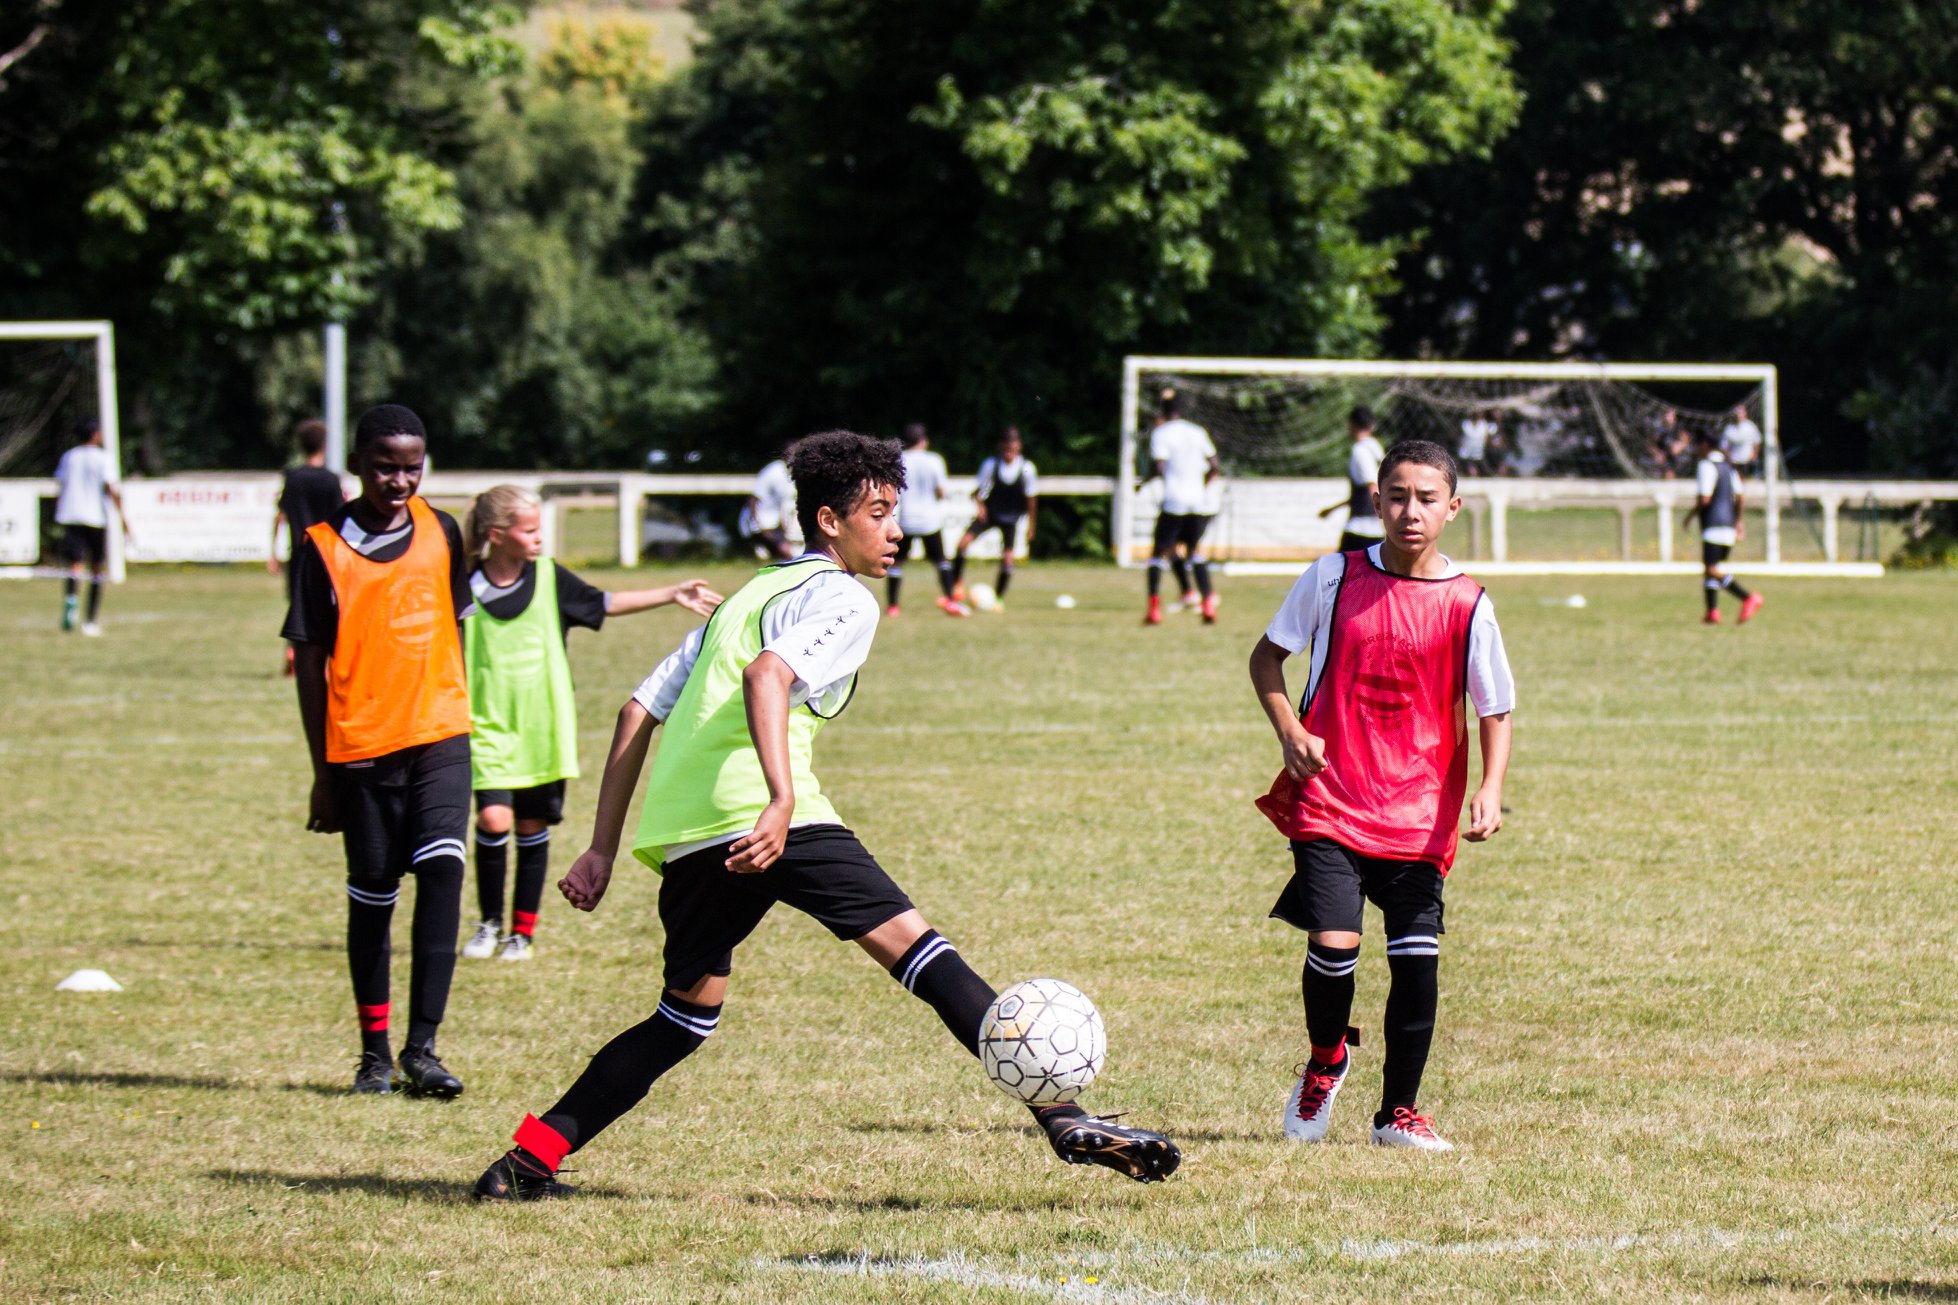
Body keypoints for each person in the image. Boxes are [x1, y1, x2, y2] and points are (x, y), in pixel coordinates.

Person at [471, 430, 1180, 1201]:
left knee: (681, 1019)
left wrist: (601, 849)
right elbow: (768, 675)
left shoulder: (746, 596)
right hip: (774, 815)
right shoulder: (844, 596)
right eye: (878, 511)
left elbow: (635, 707)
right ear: (829, 520)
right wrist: (778, 800)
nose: (897, 528)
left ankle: (525, 1163)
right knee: (921, 952)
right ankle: (1063, 1116)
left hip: (687, 836)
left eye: (896, 511)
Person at [1248, 439, 1515, 1153]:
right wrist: (1289, 734)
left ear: (1453, 509)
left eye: (1427, 498)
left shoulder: (1468, 603)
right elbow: (1267, 655)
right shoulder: (1333, 577)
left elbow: (1496, 707)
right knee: (1334, 944)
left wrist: (1490, 787)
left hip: (1419, 810)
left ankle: (1399, 1111)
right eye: (1397, 495)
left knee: (1415, 957)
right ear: (1376, 499)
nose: (1411, 511)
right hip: (1330, 797)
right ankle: (1328, 1056)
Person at [283, 403, 475, 1099]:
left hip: (440, 733)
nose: (401, 479)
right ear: (358, 465)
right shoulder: (322, 545)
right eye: (387, 465)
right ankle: (373, 1054)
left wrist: (459, 703)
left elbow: (457, 627)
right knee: (374, 896)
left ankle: (423, 1047)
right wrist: (322, 774)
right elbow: (309, 665)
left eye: (413, 465)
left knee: (446, 870)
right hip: (360, 746)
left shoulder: (442, 531)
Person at [460, 484, 722, 963]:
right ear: (497, 535)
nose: (540, 538)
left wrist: (671, 593)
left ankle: (522, 932)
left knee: (532, 823)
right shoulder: (465, 584)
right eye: (530, 530)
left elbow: (604, 602)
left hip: (543, 729)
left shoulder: (547, 579)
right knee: (492, 819)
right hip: (486, 726)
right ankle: (488, 923)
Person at [270, 419, 348, 676]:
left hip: (300, 554)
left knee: (298, 606)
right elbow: (341, 519)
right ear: (324, 445)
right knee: (329, 607)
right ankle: (326, 661)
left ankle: (292, 654)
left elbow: (280, 516)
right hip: (327, 555)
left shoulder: (292, 478)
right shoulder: (330, 480)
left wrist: (273, 552)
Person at [1143, 388, 1222, 626]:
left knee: (1158, 554)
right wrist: (1201, 485)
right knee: (1194, 551)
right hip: (1197, 502)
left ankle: (1154, 610)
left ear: (1162, 411)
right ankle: (1207, 603)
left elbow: (1159, 467)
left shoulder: (1161, 433)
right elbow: (1215, 466)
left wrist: (1145, 482)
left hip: (1174, 502)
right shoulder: (1197, 431)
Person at [52, 417, 130, 636]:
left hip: (70, 515)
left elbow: (61, 485)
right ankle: (90, 621)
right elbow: (112, 488)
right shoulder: (104, 458)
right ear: (95, 434)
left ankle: (71, 599)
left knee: (74, 565)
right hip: (95, 517)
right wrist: (124, 518)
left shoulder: (69, 456)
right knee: (96, 569)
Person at [951, 426, 1038, 609]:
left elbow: (1031, 499)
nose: (1009, 449)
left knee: (1008, 558)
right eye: (1006, 445)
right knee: (963, 543)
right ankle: (956, 584)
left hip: (1011, 517)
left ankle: (999, 598)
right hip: (990, 513)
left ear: (1019, 446)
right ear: (1001, 446)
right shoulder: (991, 465)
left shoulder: (1027, 469)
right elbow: (977, 492)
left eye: (1013, 444)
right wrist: (980, 507)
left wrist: (1031, 525)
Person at [1684, 430, 1763, 625]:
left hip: (1713, 524)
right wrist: (1738, 522)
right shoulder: (1729, 467)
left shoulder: (1706, 466)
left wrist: (1689, 517)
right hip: (1728, 526)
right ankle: (1712, 612)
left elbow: (1705, 498)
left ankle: (1747, 597)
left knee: (1711, 569)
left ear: (1705, 445)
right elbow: (1741, 496)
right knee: (1712, 568)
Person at [887, 423, 965, 617]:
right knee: (941, 561)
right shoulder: (935, 460)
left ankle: (893, 606)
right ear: (924, 441)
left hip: (906, 520)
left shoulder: (899, 460)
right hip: (930, 521)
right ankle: (950, 600)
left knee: (897, 564)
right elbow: (941, 491)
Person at [1317, 407, 1386, 554]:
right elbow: (1361, 494)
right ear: (1372, 426)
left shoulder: (1360, 450)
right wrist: (1333, 509)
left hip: (1362, 526)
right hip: (1370, 525)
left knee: (1340, 568)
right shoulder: (1376, 448)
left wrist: (1384, 519)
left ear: (1351, 425)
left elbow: (1371, 485)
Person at [740, 442, 799, 560]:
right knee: (788, 554)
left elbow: (783, 507)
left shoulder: (791, 474)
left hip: (775, 524)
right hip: (761, 524)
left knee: (788, 556)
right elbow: (753, 498)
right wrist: (759, 526)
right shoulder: (774, 470)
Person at [1718, 406, 1763, 477]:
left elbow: (1757, 442)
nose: (1738, 415)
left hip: (1747, 460)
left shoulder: (1751, 427)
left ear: (1745, 414)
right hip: (1733, 460)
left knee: (1746, 481)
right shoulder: (1729, 429)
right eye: (1737, 414)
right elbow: (1723, 446)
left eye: (1740, 413)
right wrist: (1728, 457)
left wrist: (1754, 454)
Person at [1458, 409, 1497, 477]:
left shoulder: (1485, 425)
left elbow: (1488, 438)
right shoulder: (1465, 424)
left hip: (1479, 453)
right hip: (1465, 452)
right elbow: (1459, 436)